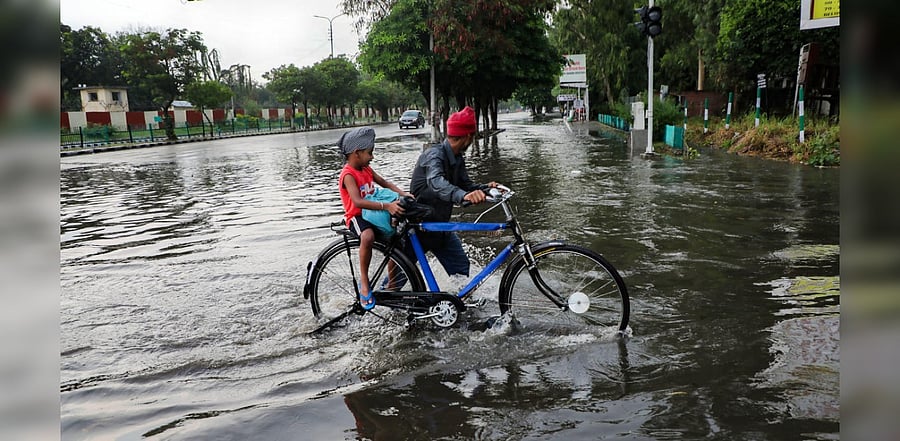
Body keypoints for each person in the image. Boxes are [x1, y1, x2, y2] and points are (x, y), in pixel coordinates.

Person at [406, 106, 500, 277]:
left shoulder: (457, 158)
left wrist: (487, 189)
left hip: (439, 226)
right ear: (468, 136)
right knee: (397, 279)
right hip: (419, 227)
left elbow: (467, 186)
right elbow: (437, 182)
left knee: (461, 271)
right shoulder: (434, 155)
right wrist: (463, 196)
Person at [338, 127, 411, 310]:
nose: (372, 157)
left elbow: (384, 183)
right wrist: (387, 206)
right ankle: (364, 282)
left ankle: (392, 287)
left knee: (397, 241)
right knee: (368, 236)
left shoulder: (366, 168)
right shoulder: (348, 174)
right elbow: (358, 201)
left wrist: (403, 194)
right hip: (357, 216)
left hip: (374, 215)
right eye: (370, 153)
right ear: (357, 153)